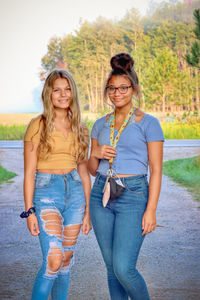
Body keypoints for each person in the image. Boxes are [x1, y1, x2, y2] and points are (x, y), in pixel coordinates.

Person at [88, 53, 164, 300]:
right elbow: (90, 167)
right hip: (101, 193)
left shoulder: (149, 123)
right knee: (111, 270)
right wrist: (96, 153)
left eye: (123, 88)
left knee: (124, 268)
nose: (117, 93)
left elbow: (156, 169)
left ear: (133, 89)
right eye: (112, 88)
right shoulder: (100, 124)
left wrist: (151, 209)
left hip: (133, 195)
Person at [22, 69, 91, 300]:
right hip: (46, 193)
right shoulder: (37, 125)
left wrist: (88, 210)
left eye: (68, 89)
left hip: (75, 194)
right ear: (48, 94)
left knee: (66, 259)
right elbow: (29, 172)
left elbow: (83, 171)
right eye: (57, 90)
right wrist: (30, 211)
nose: (63, 94)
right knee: (53, 258)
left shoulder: (80, 127)